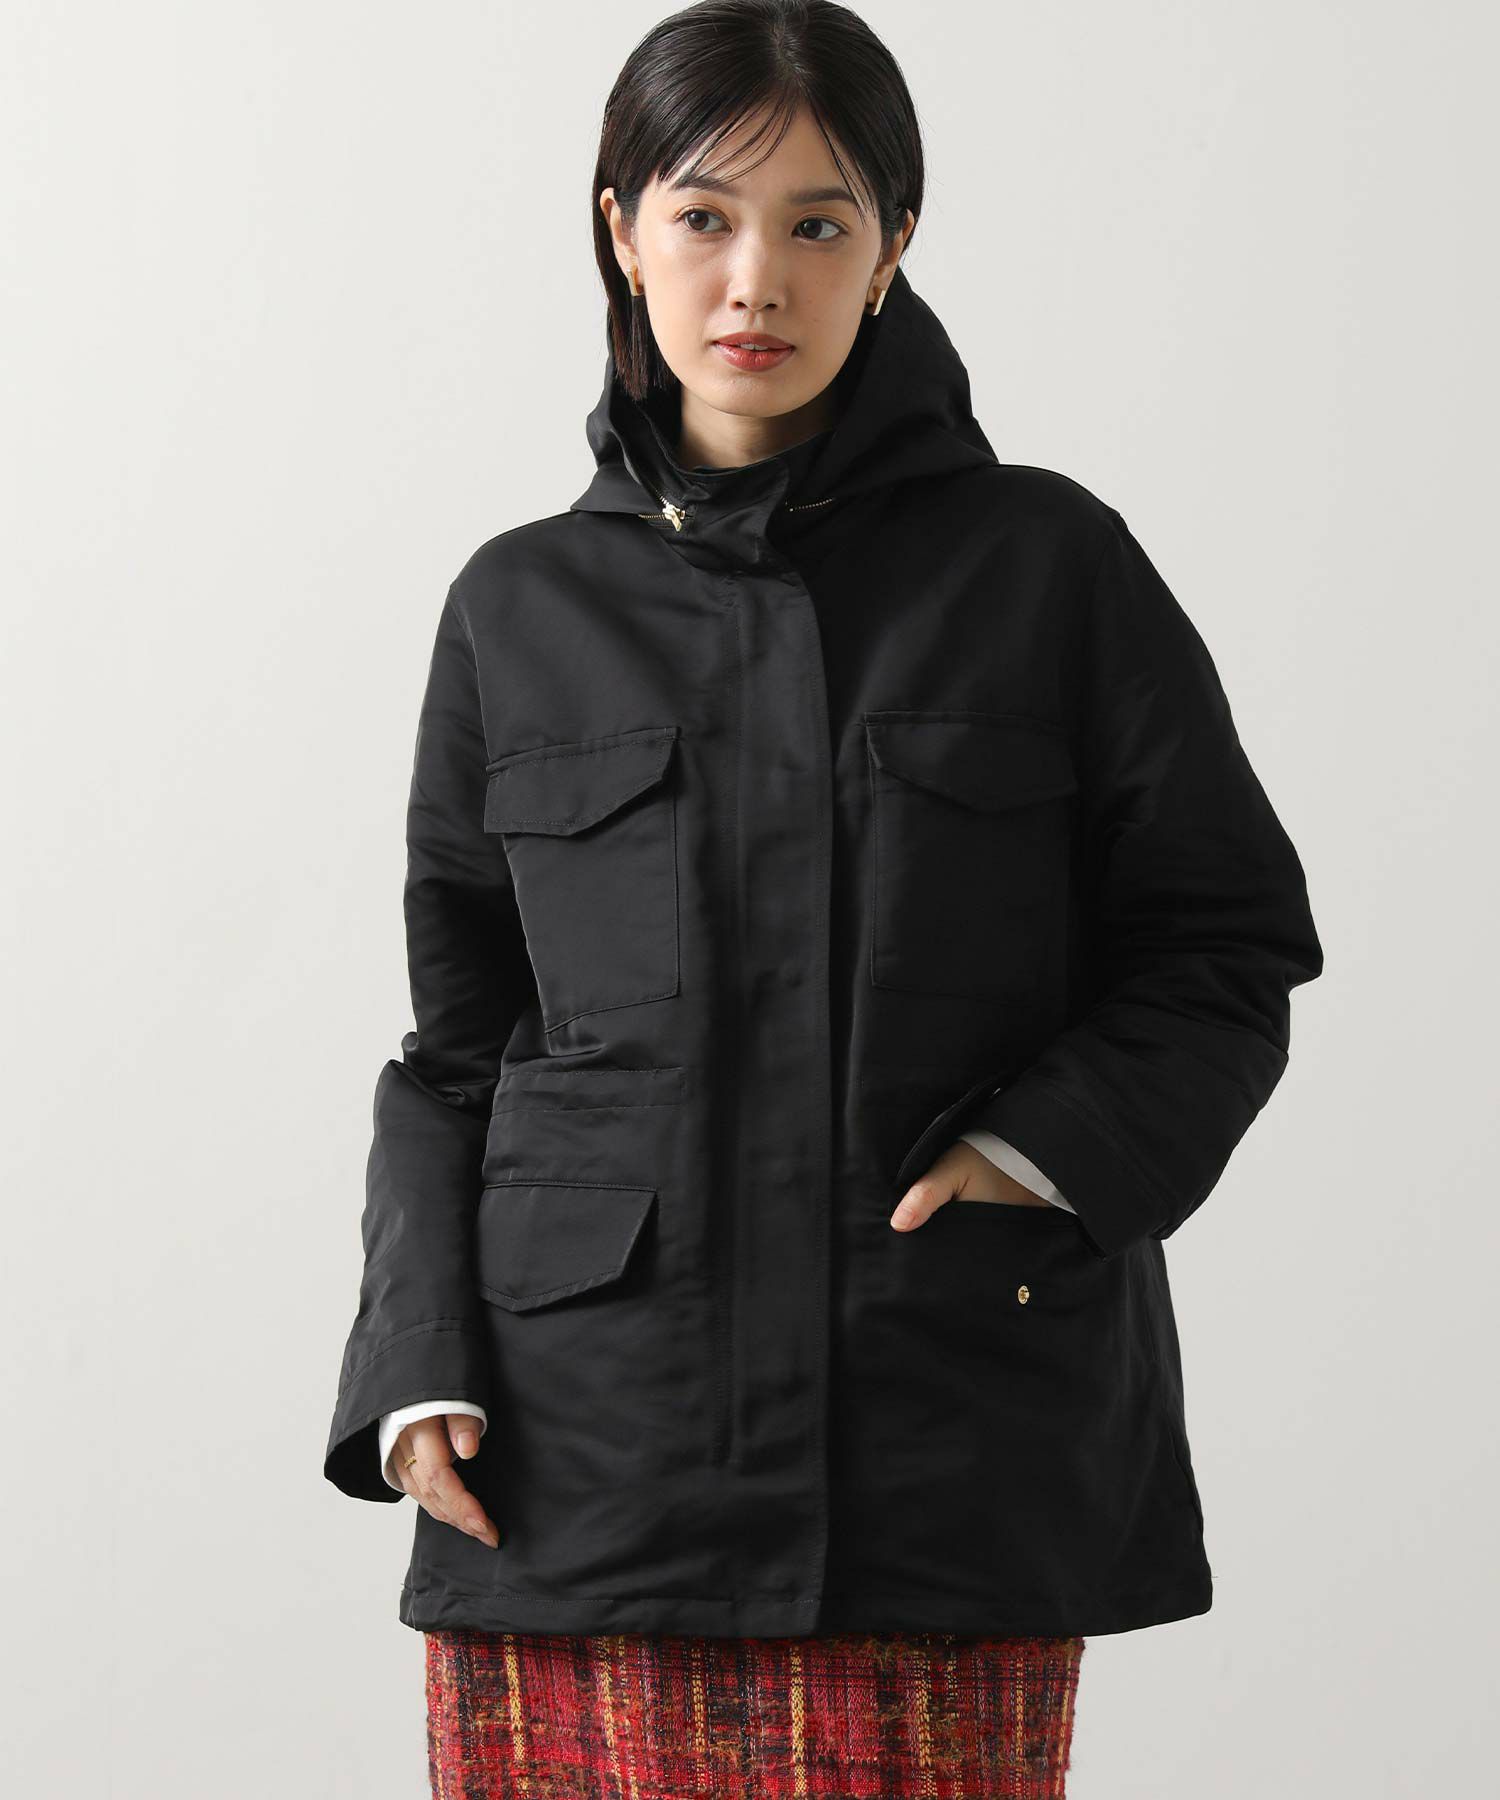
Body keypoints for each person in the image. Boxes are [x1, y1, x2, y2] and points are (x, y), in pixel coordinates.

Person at [322, 3, 1325, 1794]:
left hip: (938, 1441)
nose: (754, 280)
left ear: (896, 242)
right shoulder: (518, 609)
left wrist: (1038, 1154)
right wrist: (412, 1366)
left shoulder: (1048, 566)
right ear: (621, 228)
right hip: (579, 1458)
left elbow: (1223, 943)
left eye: (817, 221)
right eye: (704, 216)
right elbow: (463, 1048)